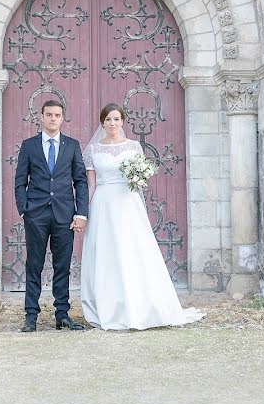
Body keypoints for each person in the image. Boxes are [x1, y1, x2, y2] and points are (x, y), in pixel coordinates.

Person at [80, 103, 203, 330]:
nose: (112, 123)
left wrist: (138, 179)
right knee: (106, 254)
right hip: (103, 205)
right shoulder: (93, 150)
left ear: (123, 122)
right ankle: (110, 305)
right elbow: (91, 184)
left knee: (131, 251)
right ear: (102, 123)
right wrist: (85, 211)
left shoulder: (133, 146)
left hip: (128, 204)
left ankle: (139, 304)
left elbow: (139, 180)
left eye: (116, 119)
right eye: (108, 119)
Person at [14, 100, 89, 332]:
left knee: (62, 266)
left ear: (62, 118)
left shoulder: (72, 146)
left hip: (64, 215)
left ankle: (62, 314)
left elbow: (81, 181)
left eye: (57, 115)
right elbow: (20, 181)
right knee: (34, 265)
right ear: (42, 117)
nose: (53, 118)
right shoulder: (29, 146)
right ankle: (31, 316)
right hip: (36, 215)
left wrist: (81, 213)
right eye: (49, 115)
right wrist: (24, 208)